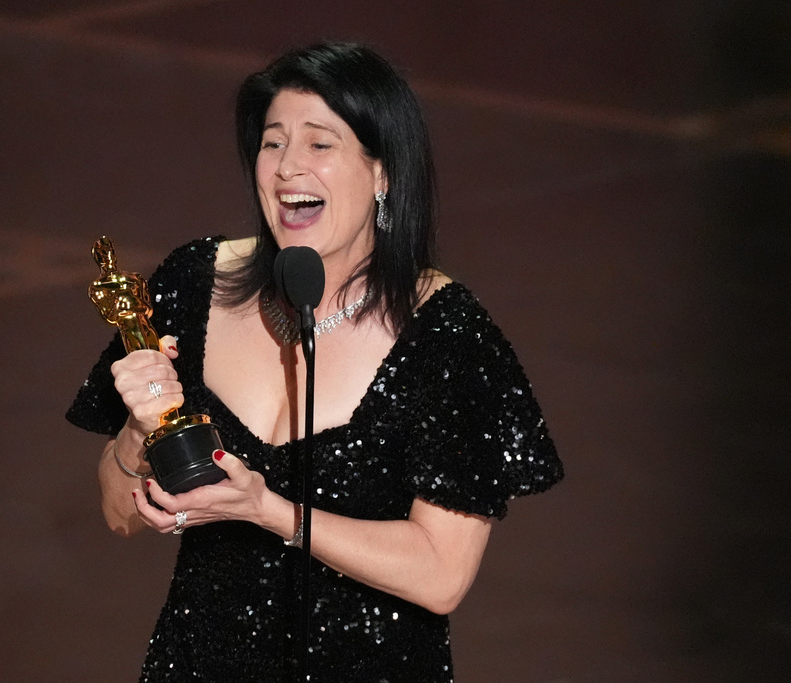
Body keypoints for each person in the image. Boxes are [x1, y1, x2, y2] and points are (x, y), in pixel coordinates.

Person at [67, 42, 563, 682]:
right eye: (273, 144)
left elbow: (441, 575)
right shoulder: (193, 284)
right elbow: (119, 513)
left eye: (319, 145)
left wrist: (267, 511)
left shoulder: (446, 335)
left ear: (382, 171)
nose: (286, 169)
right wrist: (140, 429)